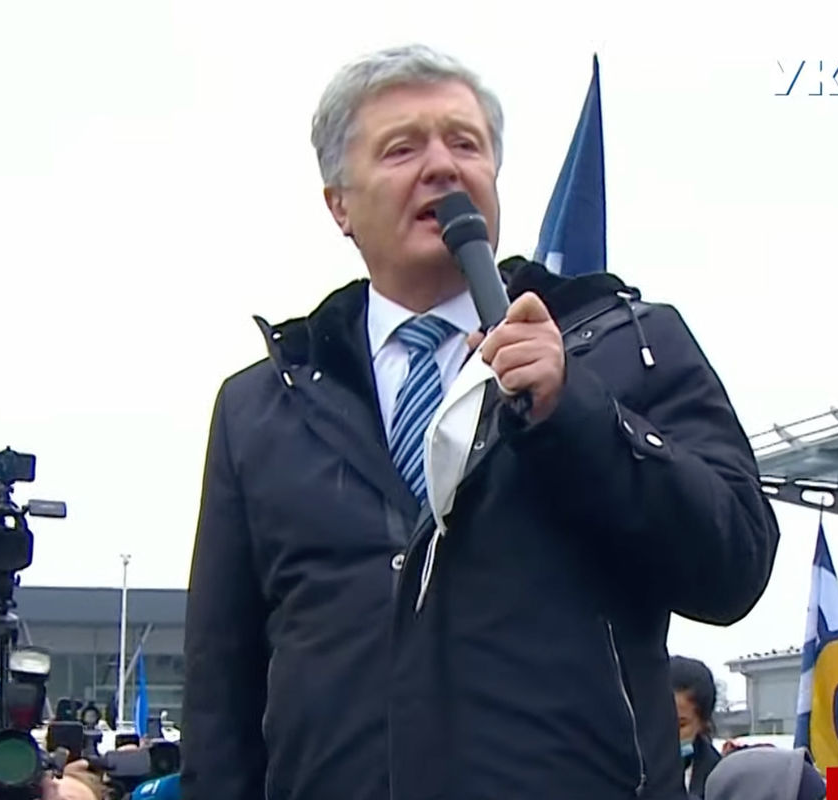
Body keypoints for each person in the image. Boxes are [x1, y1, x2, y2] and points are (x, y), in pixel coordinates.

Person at [181, 43, 780, 800]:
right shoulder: (262, 404)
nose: (442, 166)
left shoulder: (628, 344)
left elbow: (734, 565)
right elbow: (222, 689)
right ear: (339, 204)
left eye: (466, 144)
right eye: (402, 149)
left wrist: (577, 414)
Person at [670, 656, 723, 796]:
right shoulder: (623, 774)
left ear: (702, 723)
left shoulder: (721, 781)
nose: (667, 734)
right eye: (657, 722)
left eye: (681, 725)